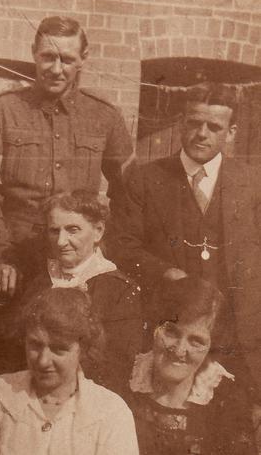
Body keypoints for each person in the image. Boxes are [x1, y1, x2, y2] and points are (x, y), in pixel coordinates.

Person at [108, 83, 261, 405]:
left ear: (231, 132)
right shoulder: (145, 178)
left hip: (237, 333)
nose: (201, 134)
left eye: (214, 127)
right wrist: (167, 274)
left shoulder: (252, 185)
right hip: (168, 332)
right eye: (194, 123)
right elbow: (122, 246)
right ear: (181, 124)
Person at [0, 15, 133, 296]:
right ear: (33, 54)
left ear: (83, 59)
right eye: (47, 57)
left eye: (66, 59)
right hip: (16, 257)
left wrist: (102, 245)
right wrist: (0, 257)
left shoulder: (104, 116)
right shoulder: (3, 111)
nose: (56, 69)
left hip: (80, 257)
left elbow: (127, 193)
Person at [0, 190, 143, 393]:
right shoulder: (40, 279)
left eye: (73, 230)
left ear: (98, 231)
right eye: (54, 231)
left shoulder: (120, 290)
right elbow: (8, 348)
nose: (61, 241)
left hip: (86, 399)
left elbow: (116, 367)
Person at [0, 287, 139, 455]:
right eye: (35, 345)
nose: (43, 361)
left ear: (83, 349)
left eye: (58, 349)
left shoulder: (109, 413)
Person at [127, 277, 256, 454]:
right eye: (171, 332)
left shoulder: (228, 402)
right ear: (154, 329)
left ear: (211, 348)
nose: (179, 350)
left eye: (196, 341)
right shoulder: (122, 382)